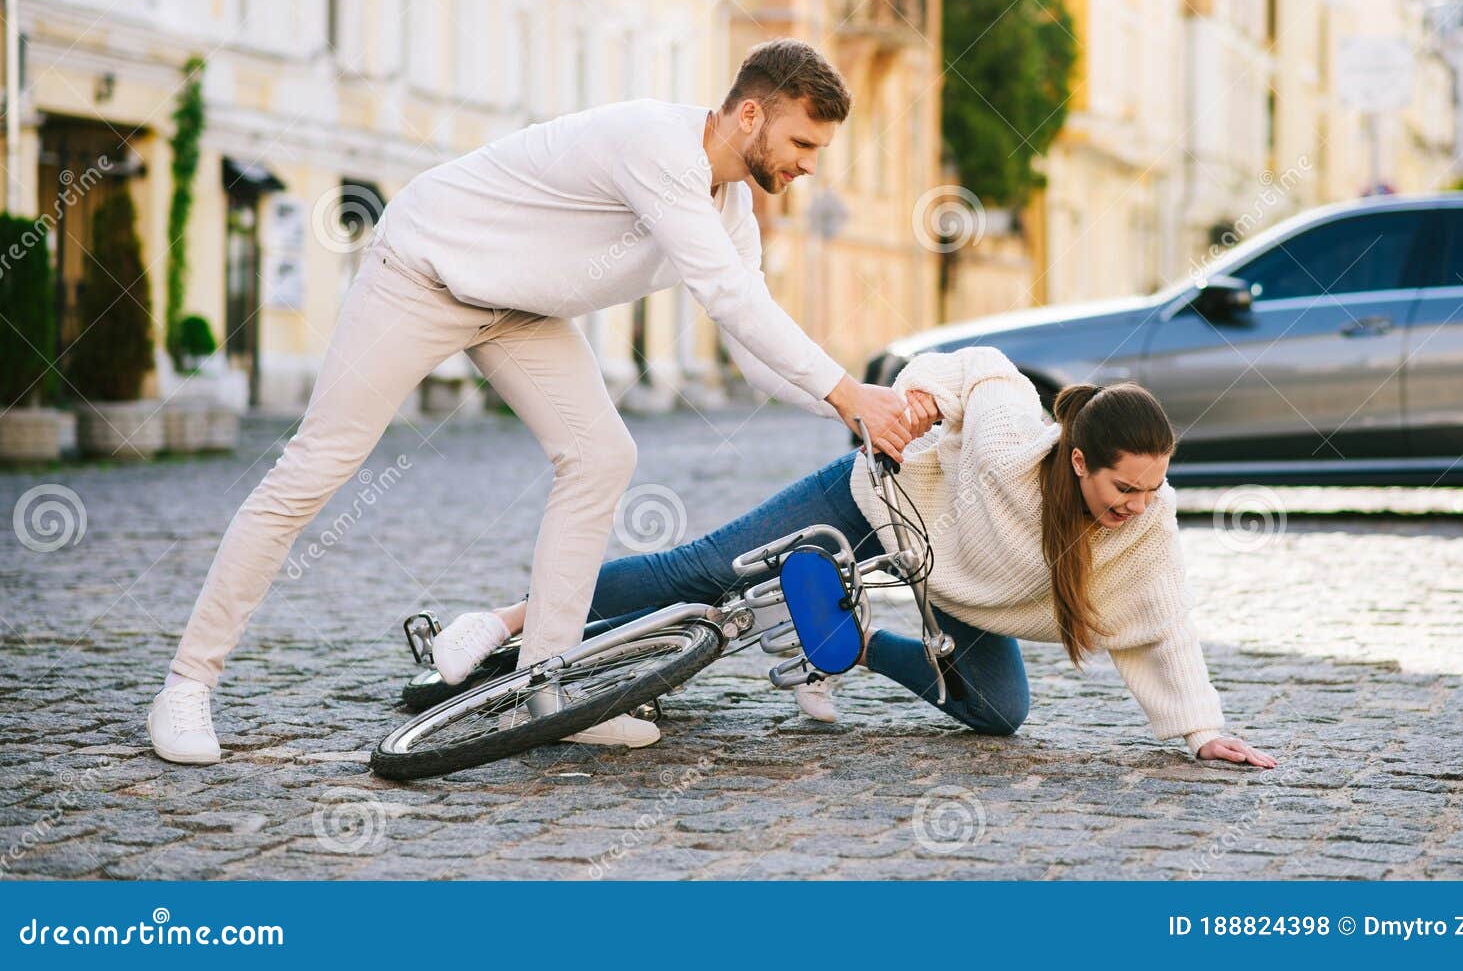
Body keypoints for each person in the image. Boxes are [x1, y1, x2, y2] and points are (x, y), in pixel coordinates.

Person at [147, 39, 914, 764]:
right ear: (752, 114)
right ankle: (186, 685)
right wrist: (850, 396)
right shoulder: (657, 145)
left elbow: (751, 352)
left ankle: (541, 691)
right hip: (425, 271)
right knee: (318, 465)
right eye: (804, 144)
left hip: (520, 310)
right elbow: (727, 297)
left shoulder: (731, 210)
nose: (809, 165)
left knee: (601, 455)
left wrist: (856, 404)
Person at [436, 346, 1278, 767]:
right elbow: (980, 369)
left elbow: (1163, 620)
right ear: (1079, 457)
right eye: (1124, 487)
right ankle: (505, 620)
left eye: (1153, 488)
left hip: (958, 582)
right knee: (704, 570)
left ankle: (839, 639)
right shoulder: (1017, 440)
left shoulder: (1145, 521)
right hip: (885, 501)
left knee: (1000, 712)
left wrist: (1200, 730)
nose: (1139, 504)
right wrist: (915, 399)